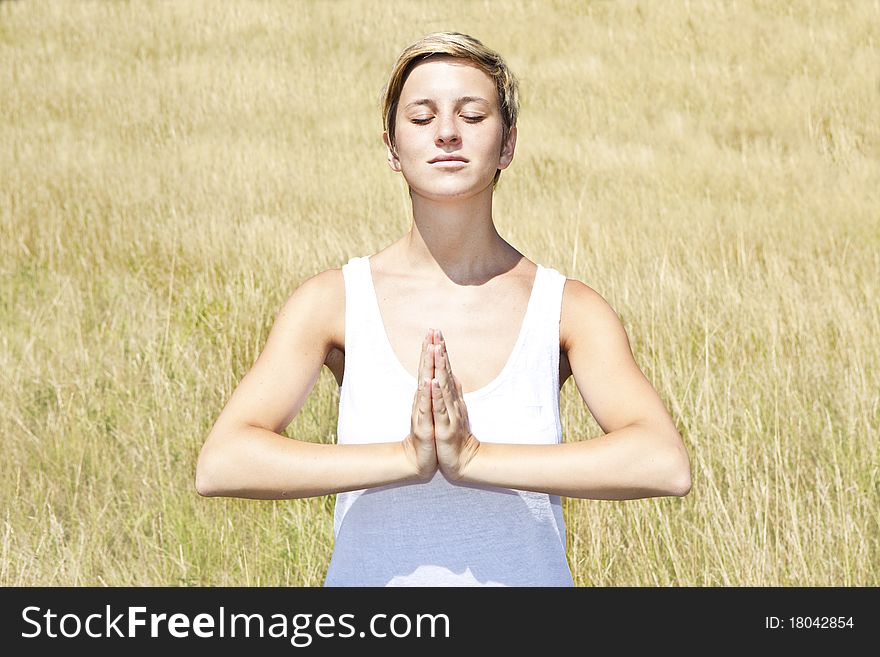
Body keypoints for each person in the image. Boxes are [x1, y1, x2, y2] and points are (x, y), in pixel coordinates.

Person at [195, 32, 691, 586]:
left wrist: (474, 459)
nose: (448, 133)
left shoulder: (567, 309)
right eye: (422, 116)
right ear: (391, 147)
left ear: (507, 145)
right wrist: (407, 458)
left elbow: (663, 463)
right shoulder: (332, 301)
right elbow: (222, 462)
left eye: (473, 115)